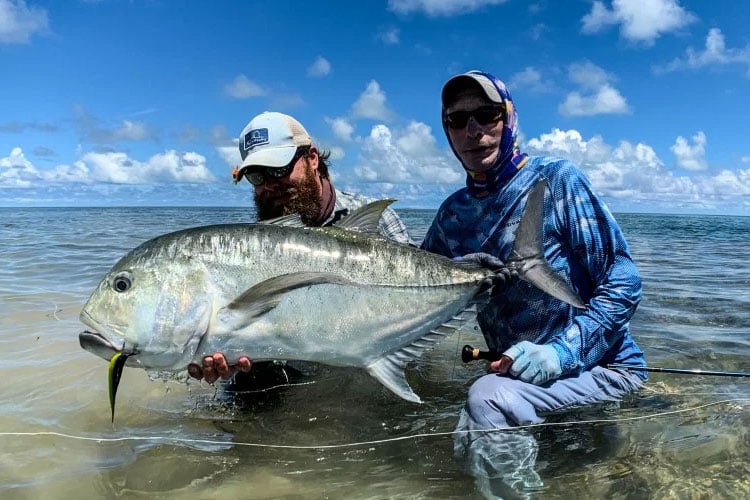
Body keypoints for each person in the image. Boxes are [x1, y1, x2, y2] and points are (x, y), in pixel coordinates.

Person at [421, 70, 647, 498]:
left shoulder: (557, 181)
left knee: (486, 400)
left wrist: (562, 352)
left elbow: (623, 278)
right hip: (522, 378)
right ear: (446, 130)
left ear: (509, 119)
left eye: (486, 115)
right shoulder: (452, 215)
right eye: (457, 120)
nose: (473, 130)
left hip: (605, 369)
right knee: (464, 438)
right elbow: (411, 288)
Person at [186, 111, 412, 388]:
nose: (270, 185)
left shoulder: (376, 223)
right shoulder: (251, 247)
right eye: (257, 176)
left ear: (312, 158)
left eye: (279, 169)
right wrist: (226, 355)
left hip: (362, 373)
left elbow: (414, 309)